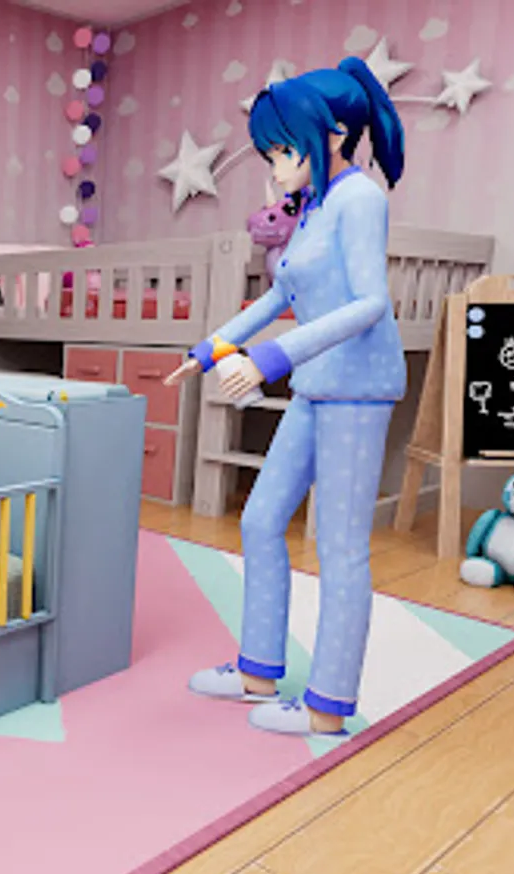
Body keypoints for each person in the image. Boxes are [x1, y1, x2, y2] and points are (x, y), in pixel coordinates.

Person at [165, 56, 406, 736]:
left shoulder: (360, 199)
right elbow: (279, 294)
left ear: (331, 134)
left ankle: (328, 706)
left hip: (357, 388)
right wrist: (212, 347)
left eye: (281, 151)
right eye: (270, 154)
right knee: (261, 518)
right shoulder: (316, 204)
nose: (274, 168)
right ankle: (257, 670)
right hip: (316, 383)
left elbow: (369, 304)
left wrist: (270, 357)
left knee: (341, 547)